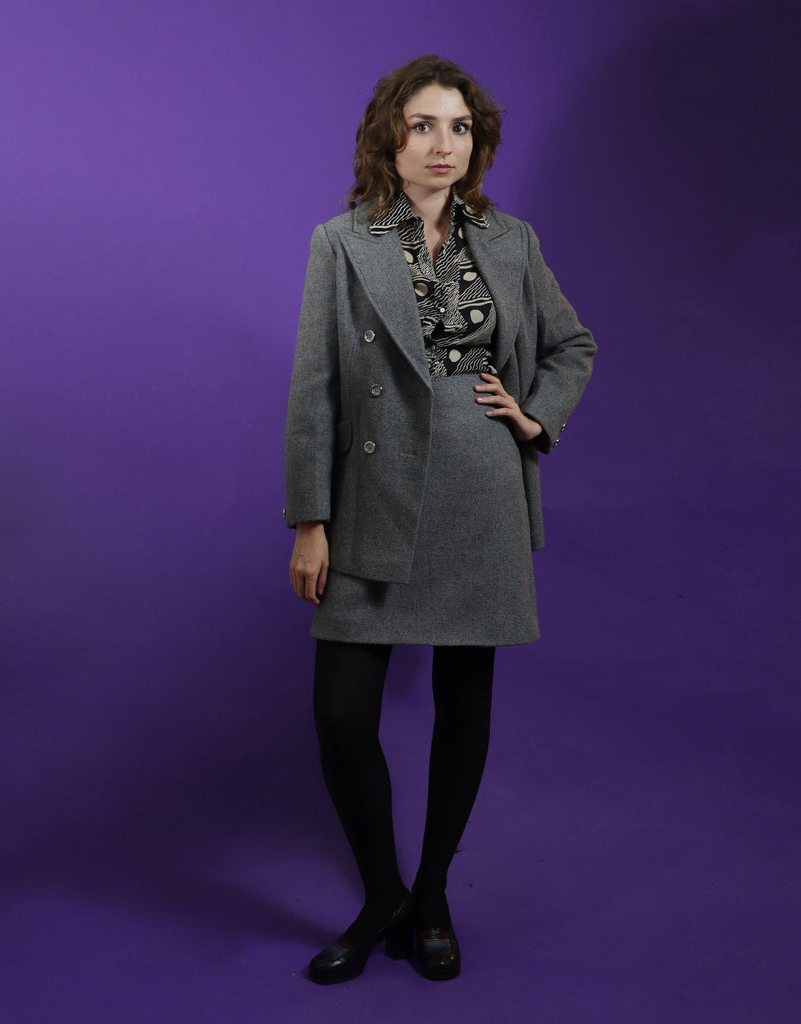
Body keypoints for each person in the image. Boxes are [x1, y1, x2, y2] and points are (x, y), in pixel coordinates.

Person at [284, 55, 596, 984]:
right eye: (422, 125)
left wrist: (534, 416)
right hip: (372, 490)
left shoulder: (509, 240)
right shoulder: (342, 242)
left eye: (459, 127)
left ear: (476, 142)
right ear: (388, 136)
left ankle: (432, 894)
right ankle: (383, 892)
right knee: (342, 716)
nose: (442, 144)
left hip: (479, 488)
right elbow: (314, 390)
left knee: (464, 704)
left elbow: (572, 344)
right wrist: (310, 519)